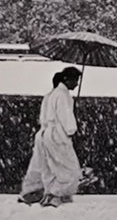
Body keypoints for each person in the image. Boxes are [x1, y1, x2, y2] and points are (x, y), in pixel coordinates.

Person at [18, 66, 83, 208]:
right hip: (56, 135)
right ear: (67, 80)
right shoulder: (63, 95)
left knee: (44, 166)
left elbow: (44, 117)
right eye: (75, 80)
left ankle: (32, 192)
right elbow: (66, 117)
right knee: (68, 168)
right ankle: (55, 195)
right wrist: (72, 129)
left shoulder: (50, 95)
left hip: (44, 133)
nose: (77, 83)